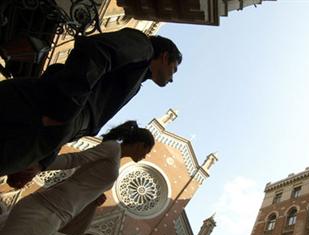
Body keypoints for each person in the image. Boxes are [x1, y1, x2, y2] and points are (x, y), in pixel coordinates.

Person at [0, 27, 181, 185]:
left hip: (53, 123)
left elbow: (78, 123)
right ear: (165, 57)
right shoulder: (144, 46)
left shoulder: (137, 80)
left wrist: (43, 162)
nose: (172, 78)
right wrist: (66, 109)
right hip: (44, 106)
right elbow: (97, 50)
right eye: (174, 69)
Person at [0, 121, 154, 235]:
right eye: (146, 151)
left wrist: (95, 197)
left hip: (53, 211)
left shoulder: (115, 156)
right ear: (140, 145)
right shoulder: (113, 148)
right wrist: (40, 165)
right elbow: (75, 159)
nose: (144, 156)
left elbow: (84, 178)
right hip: (48, 211)